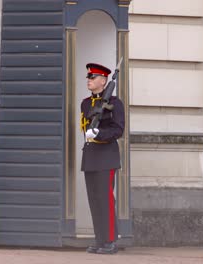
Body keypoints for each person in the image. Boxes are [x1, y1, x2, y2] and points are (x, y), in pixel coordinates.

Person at [80, 62, 125, 254]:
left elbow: (118, 129)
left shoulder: (115, 103)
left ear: (104, 80)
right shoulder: (85, 103)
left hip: (106, 157)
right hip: (90, 156)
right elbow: (84, 124)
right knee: (94, 199)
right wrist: (89, 133)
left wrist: (99, 133)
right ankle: (100, 239)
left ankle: (110, 240)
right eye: (89, 77)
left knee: (106, 199)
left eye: (93, 78)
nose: (89, 80)